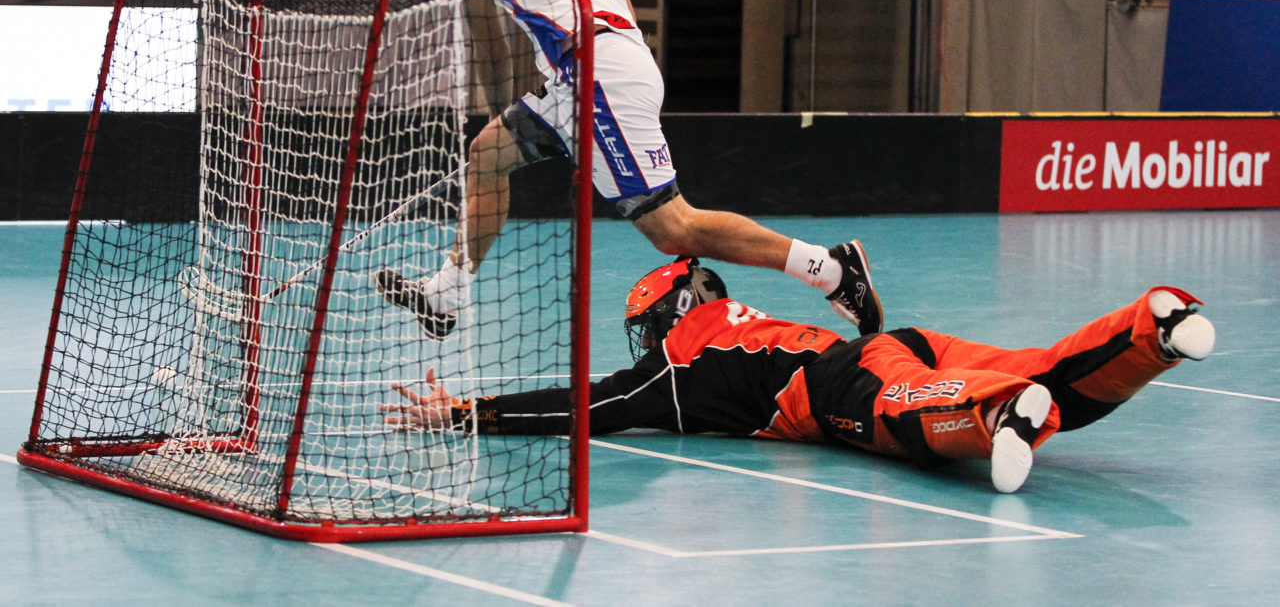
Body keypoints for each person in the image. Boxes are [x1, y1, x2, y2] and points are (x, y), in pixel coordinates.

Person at [373, 0, 882, 340]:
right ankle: (446, 295)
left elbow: (486, 35)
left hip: (595, 78)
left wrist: (505, 100)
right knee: (487, 155)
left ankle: (831, 269)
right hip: (611, 63)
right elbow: (621, 6)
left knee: (672, 229)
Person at [383, 257, 1217, 495]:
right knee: (1048, 367)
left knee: (902, 419)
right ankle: (1156, 326)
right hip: (907, 340)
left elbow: (585, 403)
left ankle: (1003, 412)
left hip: (846, 380)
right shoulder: (736, 320)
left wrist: (469, 410)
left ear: (663, 317)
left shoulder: (676, 367)